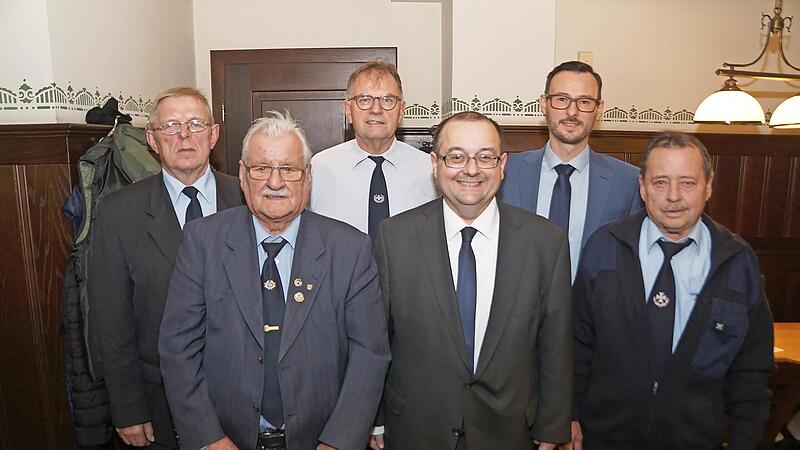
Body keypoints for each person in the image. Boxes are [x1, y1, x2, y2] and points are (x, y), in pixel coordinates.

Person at [158, 112, 390, 450]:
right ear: (242, 175)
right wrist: (209, 438)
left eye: (289, 169)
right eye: (262, 168)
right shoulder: (203, 242)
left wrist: (339, 442)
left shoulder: (349, 249)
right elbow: (178, 348)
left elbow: (369, 354)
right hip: (225, 438)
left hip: (321, 440)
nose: (275, 182)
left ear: (307, 178)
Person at [372, 111, 572, 450]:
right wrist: (375, 418)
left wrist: (553, 427)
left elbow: (556, 342)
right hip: (416, 428)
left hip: (510, 430)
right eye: (456, 156)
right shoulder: (394, 237)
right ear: (434, 164)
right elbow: (378, 338)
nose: (471, 169)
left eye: (485, 157)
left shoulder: (545, 242)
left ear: (502, 164)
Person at [570, 132, 774, 450]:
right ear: (642, 187)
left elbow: (751, 371)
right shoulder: (604, 247)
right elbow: (576, 344)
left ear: (708, 186)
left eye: (687, 183)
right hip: (606, 439)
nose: (674, 196)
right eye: (661, 182)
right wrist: (569, 416)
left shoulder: (737, 261)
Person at [89, 86, 243, 448]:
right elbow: (111, 321)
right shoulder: (118, 213)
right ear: (152, 140)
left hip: (242, 393)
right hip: (159, 402)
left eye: (195, 124)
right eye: (171, 126)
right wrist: (128, 408)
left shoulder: (247, 199)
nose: (185, 135)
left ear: (214, 134)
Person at [500, 61, 641, 280]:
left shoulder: (629, 182)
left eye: (584, 101)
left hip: (591, 310)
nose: (572, 111)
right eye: (561, 99)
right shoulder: (505, 173)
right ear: (543, 104)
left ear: (599, 109)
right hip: (518, 309)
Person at [309, 60, 437, 237]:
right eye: (364, 99)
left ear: (401, 111)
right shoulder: (319, 167)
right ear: (348, 110)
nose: (376, 109)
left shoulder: (429, 169)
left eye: (387, 100)